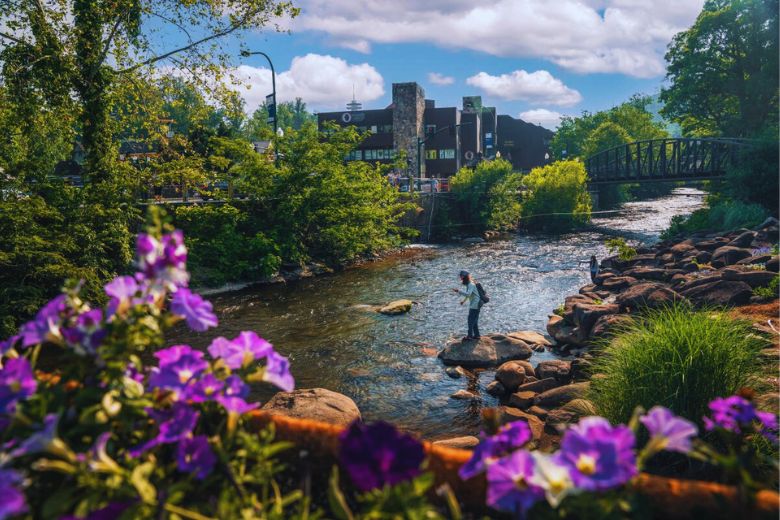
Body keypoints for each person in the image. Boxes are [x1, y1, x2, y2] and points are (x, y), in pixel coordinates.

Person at [452, 270, 481, 341]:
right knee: (474, 320)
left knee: (470, 320)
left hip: (475, 304)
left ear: (465, 277)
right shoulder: (469, 284)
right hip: (475, 304)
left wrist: (459, 291)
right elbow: (469, 295)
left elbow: (468, 294)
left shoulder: (471, 284)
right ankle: (477, 335)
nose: (460, 278)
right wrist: (463, 301)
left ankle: (470, 336)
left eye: (461, 277)